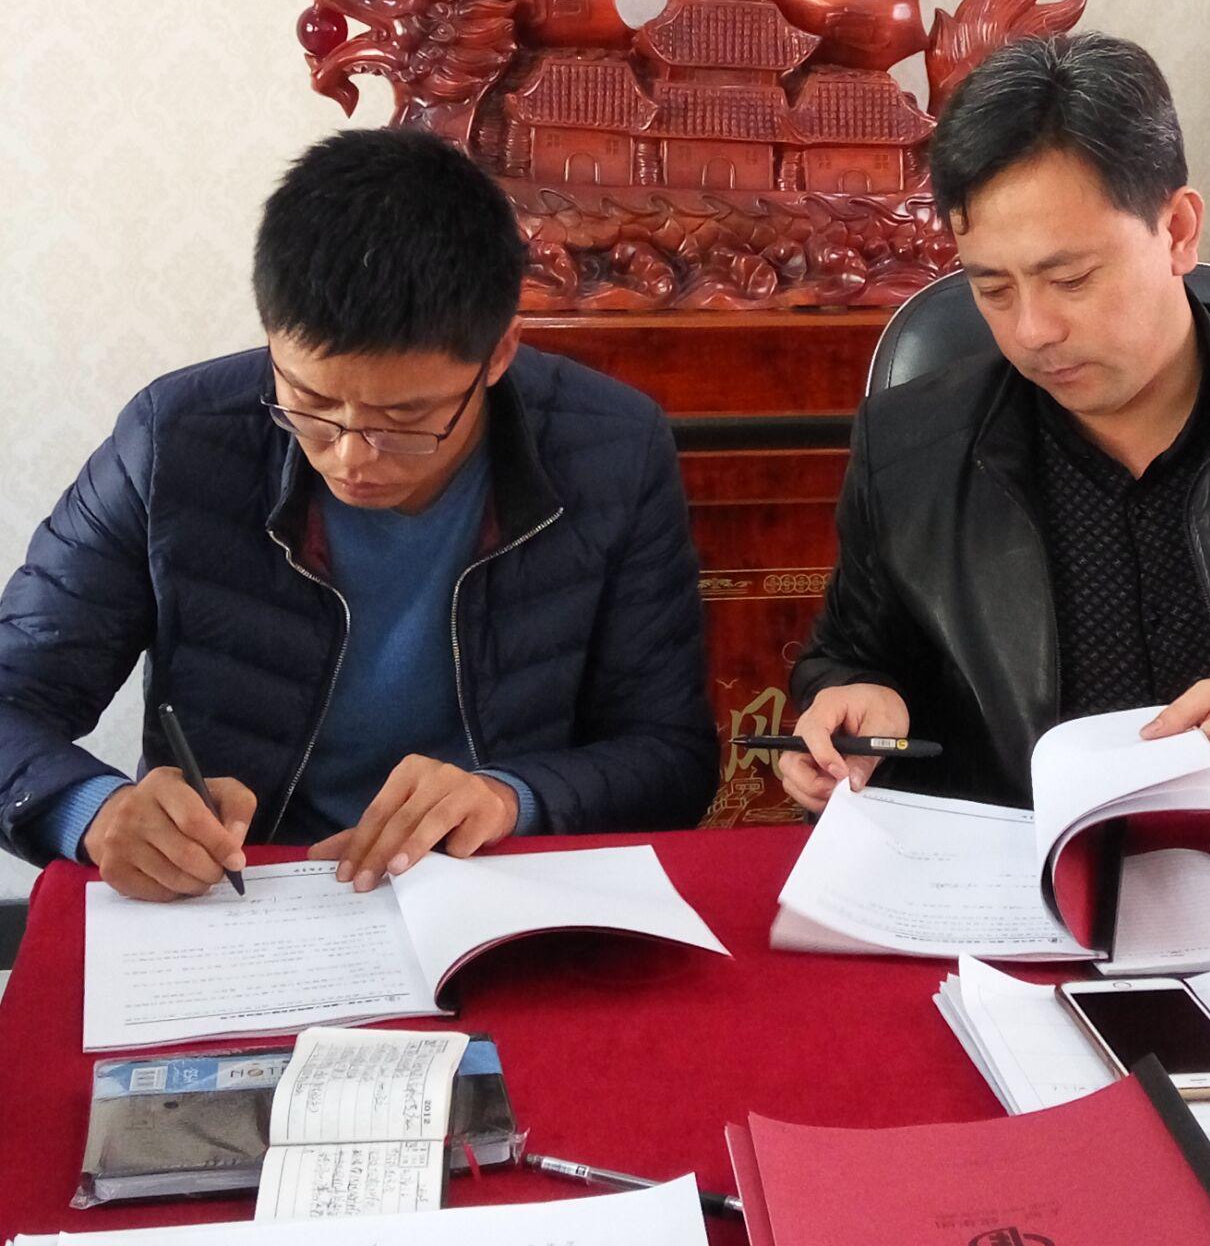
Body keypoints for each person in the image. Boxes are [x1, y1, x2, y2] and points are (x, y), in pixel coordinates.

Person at [0, 128, 717, 900]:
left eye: (405, 420)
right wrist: (94, 812)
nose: (350, 457)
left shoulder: (612, 450)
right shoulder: (175, 441)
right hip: (248, 892)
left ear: (500, 353)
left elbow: (669, 756)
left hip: (489, 890)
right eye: (308, 403)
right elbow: (12, 696)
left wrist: (511, 798)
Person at [781, 32, 1210, 817]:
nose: (1033, 331)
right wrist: (854, 704)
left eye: (1071, 279)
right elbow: (847, 658)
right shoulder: (908, 449)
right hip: (1014, 872)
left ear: (1178, 231)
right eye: (992, 289)